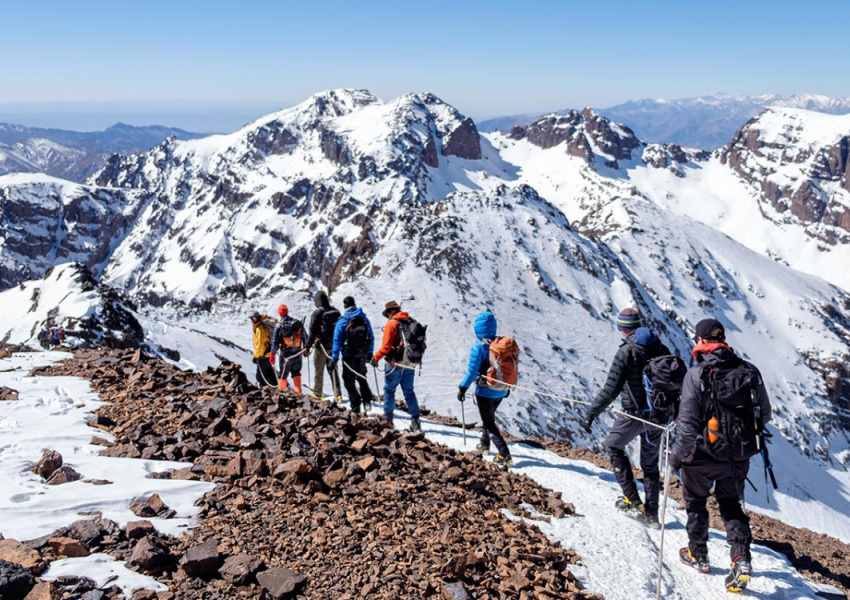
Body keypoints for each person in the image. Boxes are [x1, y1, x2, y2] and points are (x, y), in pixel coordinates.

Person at [669, 318, 772, 592]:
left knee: (696, 502)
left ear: (701, 342)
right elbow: (766, 413)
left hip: (701, 455)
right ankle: (741, 560)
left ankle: (698, 554)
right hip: (737, 455)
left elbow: (688, 425)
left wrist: (674, 458)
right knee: (730, 504)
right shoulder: (750, 371)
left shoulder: (696, 375)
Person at [581, 307, 670, 524]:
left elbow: (611, 388)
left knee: (613, 446)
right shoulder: (660, 347)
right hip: (658, 416)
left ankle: (632, 499)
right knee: (650, 465)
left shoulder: (626, 352)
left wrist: (592, 412)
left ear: (621, 328)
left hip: (633, 415)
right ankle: (651, 514)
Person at [457, 311, 512, 468]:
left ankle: (504, 454)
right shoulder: (503, 345)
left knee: (489, 422)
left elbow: (472, 372)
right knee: (488, 417)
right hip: (501, 391)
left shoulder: (479, 348)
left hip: (485, 392)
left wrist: (462, 388)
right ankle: (484, 445)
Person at [371, 300, 421, 432]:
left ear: (390, 312)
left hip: (394, 363)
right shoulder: (412, 321)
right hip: (410, 363)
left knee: (389, 390)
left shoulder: (392, 324)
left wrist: (375, 358)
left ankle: (388, 419)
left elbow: (386, 347)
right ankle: (415, 421)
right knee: (409, 392)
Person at [331, 296, 375, 414]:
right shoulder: (364, 318)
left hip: (349, 356)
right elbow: (371, 336)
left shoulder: (343, 321)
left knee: (348, 380)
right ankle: (367, 402)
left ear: (345, 306)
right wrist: (370, 352)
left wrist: (334, 357)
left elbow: (337, 341)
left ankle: (355, 406)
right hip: (362, 354)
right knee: (361, 377)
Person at [305, 290, 342, 400]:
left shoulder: (317, 313)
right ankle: (338, 394)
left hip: (321, 347)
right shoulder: (336, 312)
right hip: (334, 347)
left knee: (319, 370)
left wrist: (307, 347)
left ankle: (317, 393)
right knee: (333, 369)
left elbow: (312, 332)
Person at [271, 304, 306, 394]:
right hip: (297, 354)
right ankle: (299, 393)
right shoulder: (297, 323)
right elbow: (305, 337)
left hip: (285, 356)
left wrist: (272, 355)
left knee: (283, 375)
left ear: (279, 313)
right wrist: (305, 350)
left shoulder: (279, 325)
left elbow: (275, 342)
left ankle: (282, 394)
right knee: (296, 373)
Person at [250, 311, 277, 388]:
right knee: (269, 373)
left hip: (263, 355)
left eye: (255, 318)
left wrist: (256, 356)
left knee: (260, 376)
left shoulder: (259, 328)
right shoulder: (262, 326)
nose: (253, 320)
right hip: (268, 354)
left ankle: (265, 392)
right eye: (252, 318)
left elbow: (260, 345)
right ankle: (276, 389)